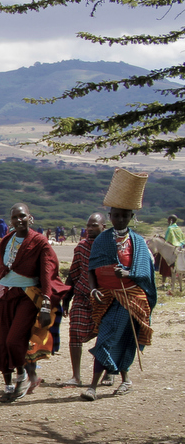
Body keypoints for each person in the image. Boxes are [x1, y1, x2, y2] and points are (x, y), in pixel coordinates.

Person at [80, 170, 156, 401]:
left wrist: (128, 272)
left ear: (131, 217)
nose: (120, 219)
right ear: (110, 215)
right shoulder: (102, 239)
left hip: (129, 295)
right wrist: (93, 289)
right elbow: (92, 268)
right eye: (116, 215)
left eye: (125, 216)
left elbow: (145, 271)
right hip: (104, 296)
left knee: (108, 335)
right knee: (120, 337)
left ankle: (92, 386)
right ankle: (125, 379)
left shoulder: (138, 241)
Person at [0, 203, 69, 403]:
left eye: (22, 216)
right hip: (4, 294)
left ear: (30, 218)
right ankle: (7, 386)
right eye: (15, 217)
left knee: (14, 340)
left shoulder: (40, 242)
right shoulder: (6, 241)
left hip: (27, 296)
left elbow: (47, 272)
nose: (19, 220)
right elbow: (3, 268)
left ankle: (21, 375)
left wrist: (46, 303)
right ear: (11, 220)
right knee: (1, 339)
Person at [63, 212, 108, 387]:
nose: (89, 229)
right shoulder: (81, 247)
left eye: (94, 225)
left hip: (105, 298)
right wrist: (66, 297)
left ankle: (107, 372)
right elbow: (74, 272)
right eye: (88, 225)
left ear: (103, 227)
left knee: (105, 336)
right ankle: (76, 376)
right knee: (74, 331)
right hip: (82, 295)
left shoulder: (110, 247)